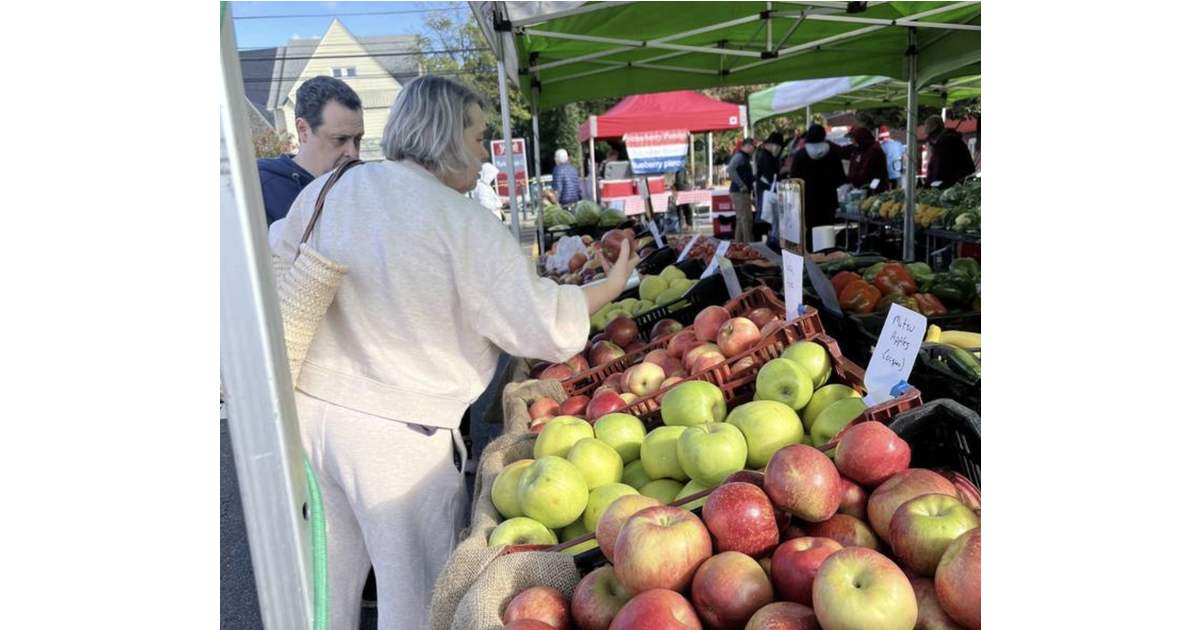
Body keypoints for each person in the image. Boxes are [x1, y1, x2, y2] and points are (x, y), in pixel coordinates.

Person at [267, 76, 638, 630]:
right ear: (446, 133)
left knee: (324, 593)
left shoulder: (334, 187)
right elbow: (544, 328)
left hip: (308, 413)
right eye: (477, 134)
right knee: (415, 600)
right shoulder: (461, 221)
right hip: (399, 435)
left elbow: (276, 255)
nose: (483, 149)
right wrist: (612, 284)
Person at [258, 76, 364, 226]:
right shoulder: (261, 193)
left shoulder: (361, 187)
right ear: (303, 130)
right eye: (340, 139)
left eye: (357, 140)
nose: (352, 153)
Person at [789, 124, 848, 239]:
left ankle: (813, 255)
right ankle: (827, 254)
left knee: (810, 232)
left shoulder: (800, 155)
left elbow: (794, 179)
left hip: (807, 201)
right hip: (828, 200)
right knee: (827, 234)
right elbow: (840, 178)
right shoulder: (832, 154)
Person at [924, 115, 976, 189]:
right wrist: (927, 185)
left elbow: (940, 169)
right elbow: (933, 168)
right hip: (955, 184)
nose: (930, 138)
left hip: (955, 186)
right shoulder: (944, 142)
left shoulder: (946, 143)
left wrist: (929, 187)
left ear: (937, 131)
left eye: (931, 135)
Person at [754, 132, 785, 241]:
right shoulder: (765, 155)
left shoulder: (762, 153)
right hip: (766, 188)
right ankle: (766, 238)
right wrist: (781, 172)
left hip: (763, 187)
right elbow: (769, 174)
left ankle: (765, 237)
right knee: (766, 214)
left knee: (765, 213)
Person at [726, 137, 757, 243]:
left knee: (740, 219)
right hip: (740, 192)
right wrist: (742, 185)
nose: (754, 149)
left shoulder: (743, 156)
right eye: (754, 146)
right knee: (746, 219)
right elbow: (730, 169)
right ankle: (749, 244)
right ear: (748, 145)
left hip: (738, 192)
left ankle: (738, 242)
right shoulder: (740, 156)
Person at [846, 126, 891, 193]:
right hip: (865, 188)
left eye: (853, 138)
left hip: (873, 189)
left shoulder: (873, 150)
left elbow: (866, 171)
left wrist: (853, 180)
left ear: (861, 138)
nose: (852, 141)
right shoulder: (861, 149)